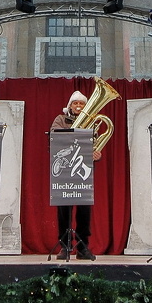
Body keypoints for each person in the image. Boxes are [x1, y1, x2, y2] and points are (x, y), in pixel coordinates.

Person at [50, 90, 101, 260]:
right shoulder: (60, 120)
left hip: (83, 170)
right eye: (75, 103)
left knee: (84, 209)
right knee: (64, 209)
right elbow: (54, 138)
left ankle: (82, 246)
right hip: (65, 171)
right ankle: (65, 246)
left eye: (82, 104)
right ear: (70, 105)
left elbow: (95, 144)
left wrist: (96, 153)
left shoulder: (92, 122)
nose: (78, 106)